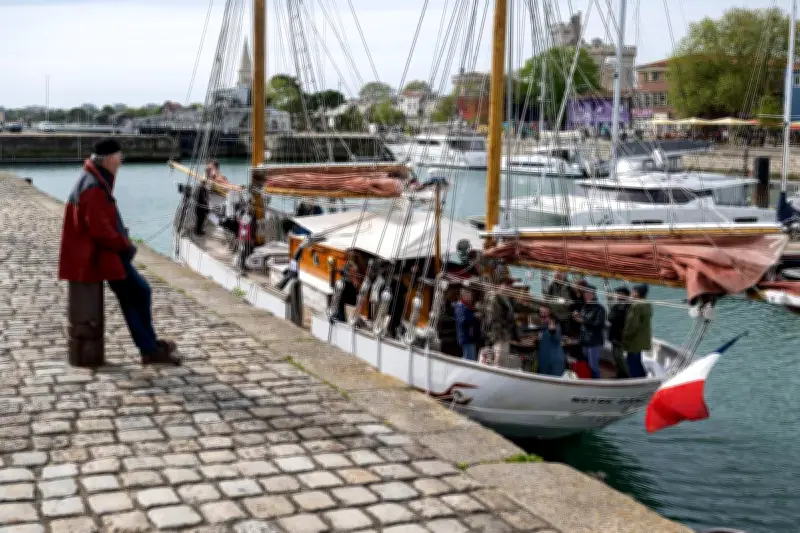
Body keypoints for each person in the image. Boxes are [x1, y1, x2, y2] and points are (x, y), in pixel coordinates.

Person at [58, 139, 180, 365]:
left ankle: (150, 344)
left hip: (105, 252)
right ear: (110, 159)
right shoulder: (93, 185)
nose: (121, 162)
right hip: (103, 254)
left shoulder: (94, 179)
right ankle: (148, 348)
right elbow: (100, 230)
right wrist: (125, 245)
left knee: (138, 293)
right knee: (135, 294)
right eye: (119, 157)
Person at [573, 285, 605, 378]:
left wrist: (583, 321)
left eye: (589, 294)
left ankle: (598, 384)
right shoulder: (584, 307)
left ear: (594, 295)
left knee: (593, 366)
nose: (586, 296)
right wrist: (577, 316)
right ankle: (588, 382)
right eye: (585, 294)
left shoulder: (600, 308)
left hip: (593, 342)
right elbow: (583, 320)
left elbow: (598, 324)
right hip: (584, 341)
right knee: (586, 365)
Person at [622, 284, 652, 378]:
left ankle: (636, 380)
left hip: (634, 340)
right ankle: (643, 377)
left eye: (632, 291)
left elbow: (632, 325)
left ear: (636, 293)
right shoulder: (647, 304)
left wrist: (624, 336)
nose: (631, 293)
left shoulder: (635, 306)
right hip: (643, 338)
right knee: (637, 360)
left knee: (632, 362)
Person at [608, 286, 631, 378]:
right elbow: (610, 318)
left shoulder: (629, 307)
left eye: (620, 294)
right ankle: (619, 375)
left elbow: (623, 320)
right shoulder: (615, 306)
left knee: (621, 358)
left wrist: (616, 316)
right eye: (617, 294)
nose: (618, 296)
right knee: (616, 358)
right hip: (614, 336)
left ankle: (627, 376)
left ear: (625, 295)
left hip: (623, 338)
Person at [536, 307, 565, 376]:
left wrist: (552, 331)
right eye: (541, 316)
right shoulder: (542, 329)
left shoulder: (555, 326)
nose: (542, 317)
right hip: (544, 362)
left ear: (550, 316)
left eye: (545, 316)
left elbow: (557, 338)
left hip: (554, 363)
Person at [454, 288, 480, 361]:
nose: (470, 297)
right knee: (469, 360)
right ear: (463, 296)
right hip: (466, 338)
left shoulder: (467, 306)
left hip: (470, 338)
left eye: (471, 295)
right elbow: (463, 321)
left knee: (470, 358)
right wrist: (475, 316)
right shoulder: (460, 306)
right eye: (468, 295)